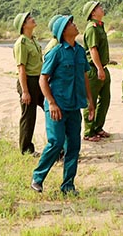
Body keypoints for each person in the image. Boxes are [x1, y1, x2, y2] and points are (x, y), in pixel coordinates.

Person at [31, 15, 95, 195]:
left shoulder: (80, 51)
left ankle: (68, 185)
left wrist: (90, 101)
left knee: (74, 145)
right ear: (63, 31)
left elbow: (84, 77)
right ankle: (37, 177)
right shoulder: (56, 52)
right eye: (71, 24)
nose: (75, 25)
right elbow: (43, 80)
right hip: (57, 106)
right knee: (56, 142)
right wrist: (51, 103)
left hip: (75, 105)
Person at [13, 11, 44, 155]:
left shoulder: (33, 41)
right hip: (28, 81)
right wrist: (25, 91)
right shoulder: (21, 43)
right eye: (29, 18)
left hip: (39, 81)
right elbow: (21, 68)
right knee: (28, 116)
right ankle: (26, 149)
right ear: (23, 25)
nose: (33, 19)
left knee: (51, 109)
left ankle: (58, 144)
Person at [81, 1, 111, 141]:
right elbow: (93, 50)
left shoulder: (99, 26)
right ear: (93, 12)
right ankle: (89, 131)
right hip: (94, 70)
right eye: (98, 7)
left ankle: (98, 127)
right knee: (91, 101)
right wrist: (99, 68)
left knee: (105, 100)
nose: (101, 9)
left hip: (102, 67)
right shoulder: (92, 28)